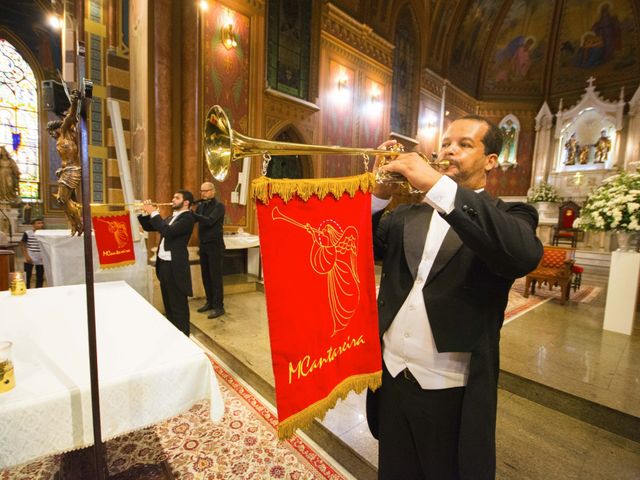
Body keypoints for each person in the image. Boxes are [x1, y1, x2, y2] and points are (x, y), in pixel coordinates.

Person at [367, 115, 543, 479]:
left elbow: (523, 254)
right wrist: (378, 195)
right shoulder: (408, 215)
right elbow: (357, 246)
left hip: (451, 391)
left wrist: (436, 185)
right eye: (447, 143)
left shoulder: (510, 215)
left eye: (464, 144)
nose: (450, 150)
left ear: (490, 160)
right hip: (392, 379)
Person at [138, 190, 195, 336]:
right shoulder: (172, 217)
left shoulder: (188, 218)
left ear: (186, 202)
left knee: (178, 306)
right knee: (168, 303)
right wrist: (146, 213)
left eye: (177, 198)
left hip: (175, 267)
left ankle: (184, 337)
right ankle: (174, 335)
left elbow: (168, 232)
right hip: (164, 264)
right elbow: (151, 227)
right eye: (173, 196)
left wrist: (154, 212)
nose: (173, 199)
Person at [46, 90, 83, 236]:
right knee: (64, 200)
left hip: (73, 169)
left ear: (57, 128)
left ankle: (78, 223)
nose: (51, 135)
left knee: (62, 199)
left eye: (51, 132)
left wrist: (74, 101)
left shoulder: (65, 131)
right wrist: (60, 170)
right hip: (66, 170)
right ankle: (74, 224)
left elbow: (71, 116)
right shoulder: (60, 139)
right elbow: (64, 160)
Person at [192, 182, 226, 319]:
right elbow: (195, 220)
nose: (203, 193)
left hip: (215, 246)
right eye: (202, 191)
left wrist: (193, 214)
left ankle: (219, 307)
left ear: (213, 191)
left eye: (206, 191)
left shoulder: (219, 206)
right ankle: (210, 302)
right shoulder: (200, 206)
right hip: (204, 245)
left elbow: (210, 221)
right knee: (206, 276)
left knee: (215, 277)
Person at [20, 217, 45, 288]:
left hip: (41, 257)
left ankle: (38, 290)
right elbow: (22, 244)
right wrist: (26, 256)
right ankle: (27, 290)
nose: (41, 224)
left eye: (42, 223)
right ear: (33, 225)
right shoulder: (28, 233)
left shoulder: (44, 233)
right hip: (30, 255)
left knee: (40, 276)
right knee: (27, 276)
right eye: (38, 223)